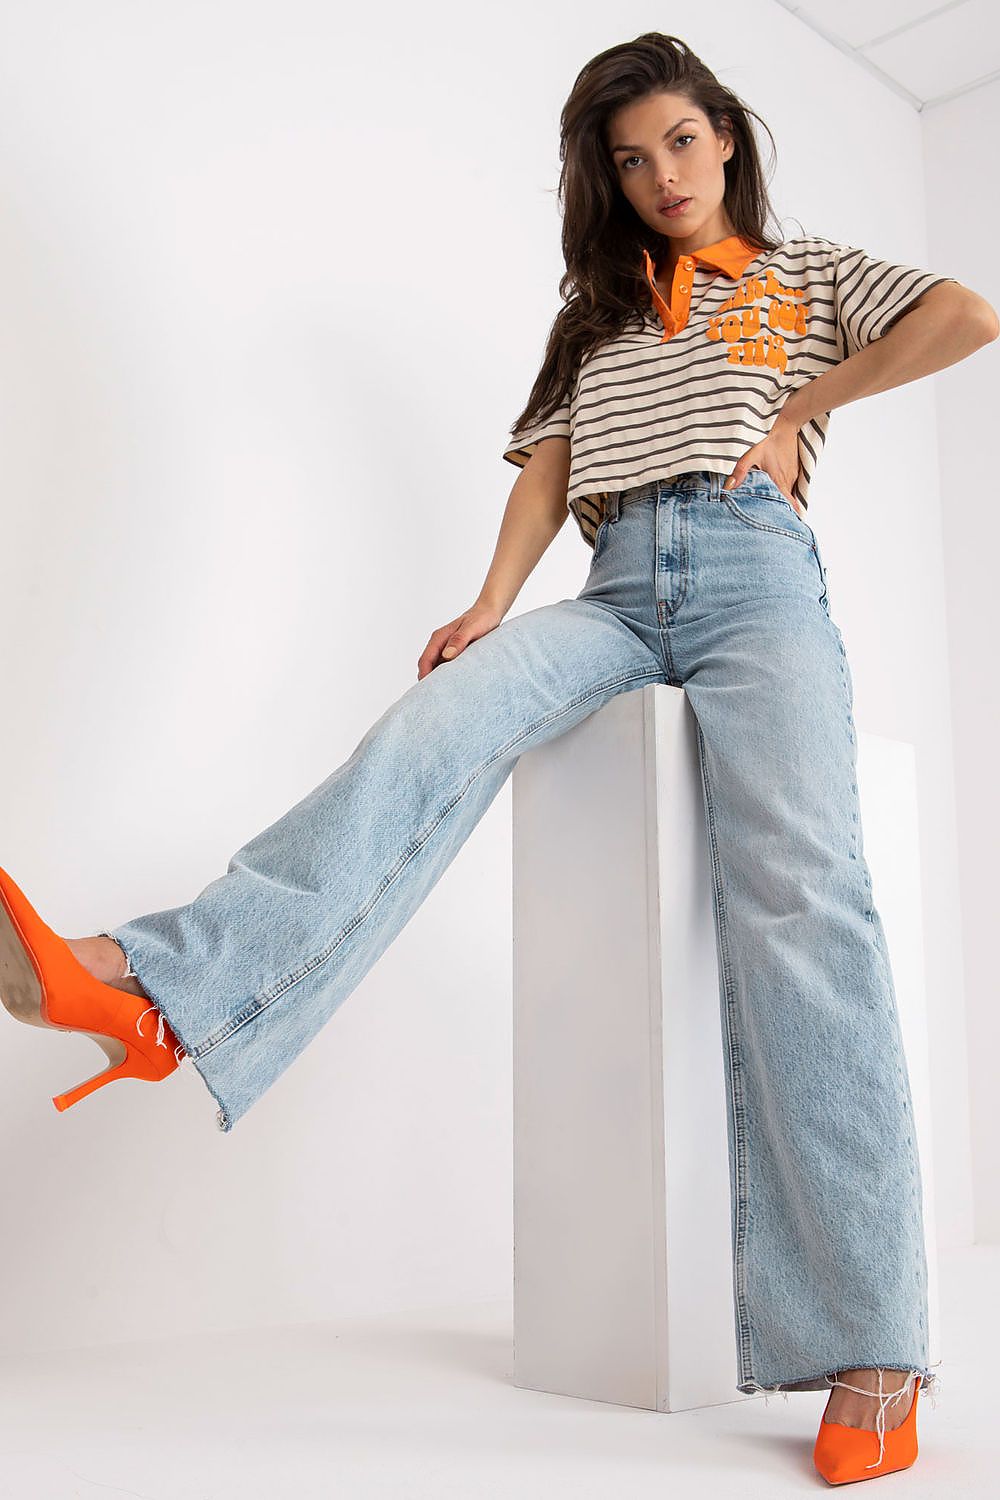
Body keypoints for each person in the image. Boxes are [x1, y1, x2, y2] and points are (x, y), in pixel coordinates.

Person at [0, 30, 994, 1486]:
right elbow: (547, 469)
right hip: (616, 586)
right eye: (630, 160)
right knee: (427, 732)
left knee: (805, 901)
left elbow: (966, 312)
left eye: (680, 142)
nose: (661, 176)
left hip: (756, 581)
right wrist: (488, 603)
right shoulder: (598, 316)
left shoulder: (810, 273)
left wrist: (802, 406)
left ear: (725, 136)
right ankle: (155, 990)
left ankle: (876, 1346)